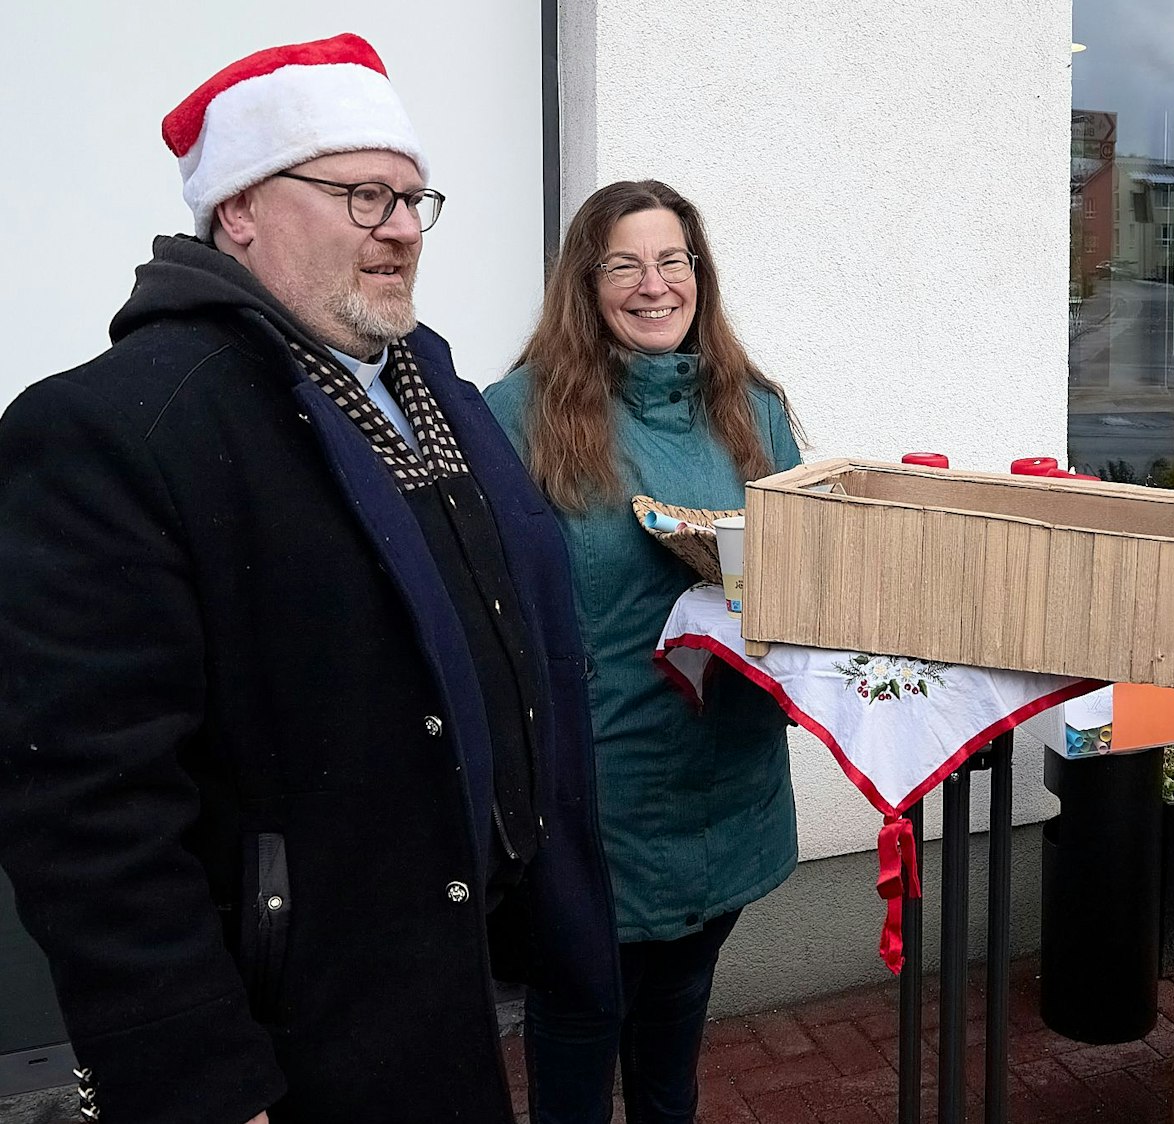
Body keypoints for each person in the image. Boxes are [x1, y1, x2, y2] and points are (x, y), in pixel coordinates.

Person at [0, 34, 618, 1124]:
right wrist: (201, 1081)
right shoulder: (120, 426)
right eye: (362, 195)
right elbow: (88, 809)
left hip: (456, 966)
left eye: (414, 200)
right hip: (299, 1030)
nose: (398, 229)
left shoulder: (429, 385)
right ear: (239, 208)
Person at [484, 180, 803, 1124]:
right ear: (586, 283)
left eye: (672, 261)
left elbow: (799, 572)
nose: (651, 284)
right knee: (580, 1021)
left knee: (674, 1026)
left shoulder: (752, 409)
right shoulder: (519, 415)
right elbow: (492, 610)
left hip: (724, 775)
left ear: (698, 274)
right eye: (623, 263)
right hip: (594, 791)